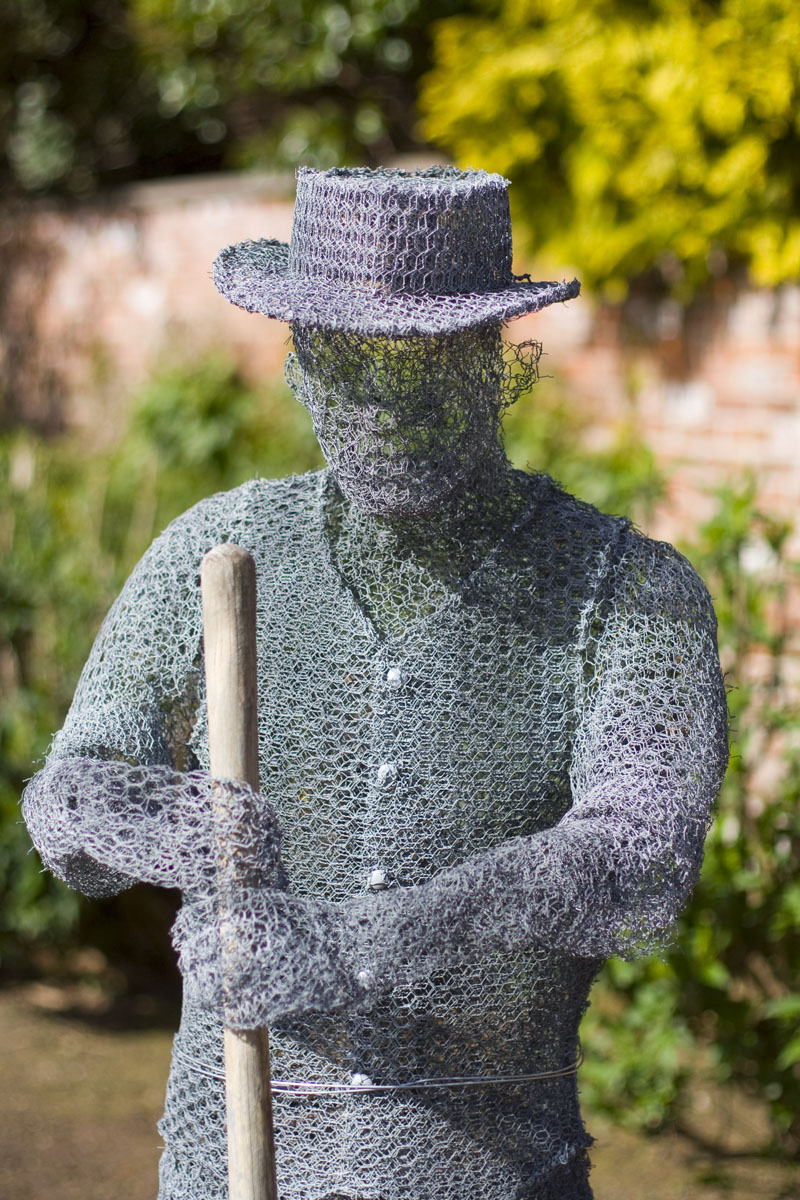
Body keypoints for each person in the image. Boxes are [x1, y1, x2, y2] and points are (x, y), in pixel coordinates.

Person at [22, 166, 728, 1200]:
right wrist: (170, 825)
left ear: (500, 358)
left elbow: (635, 856)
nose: (389, 401)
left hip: (490, 1174)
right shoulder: (215, 551)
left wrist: (356, 945)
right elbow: (69, 796)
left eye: (431, 356)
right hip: (227, 1165)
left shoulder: (626, 592)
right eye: (351, 357)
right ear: (300, 362)